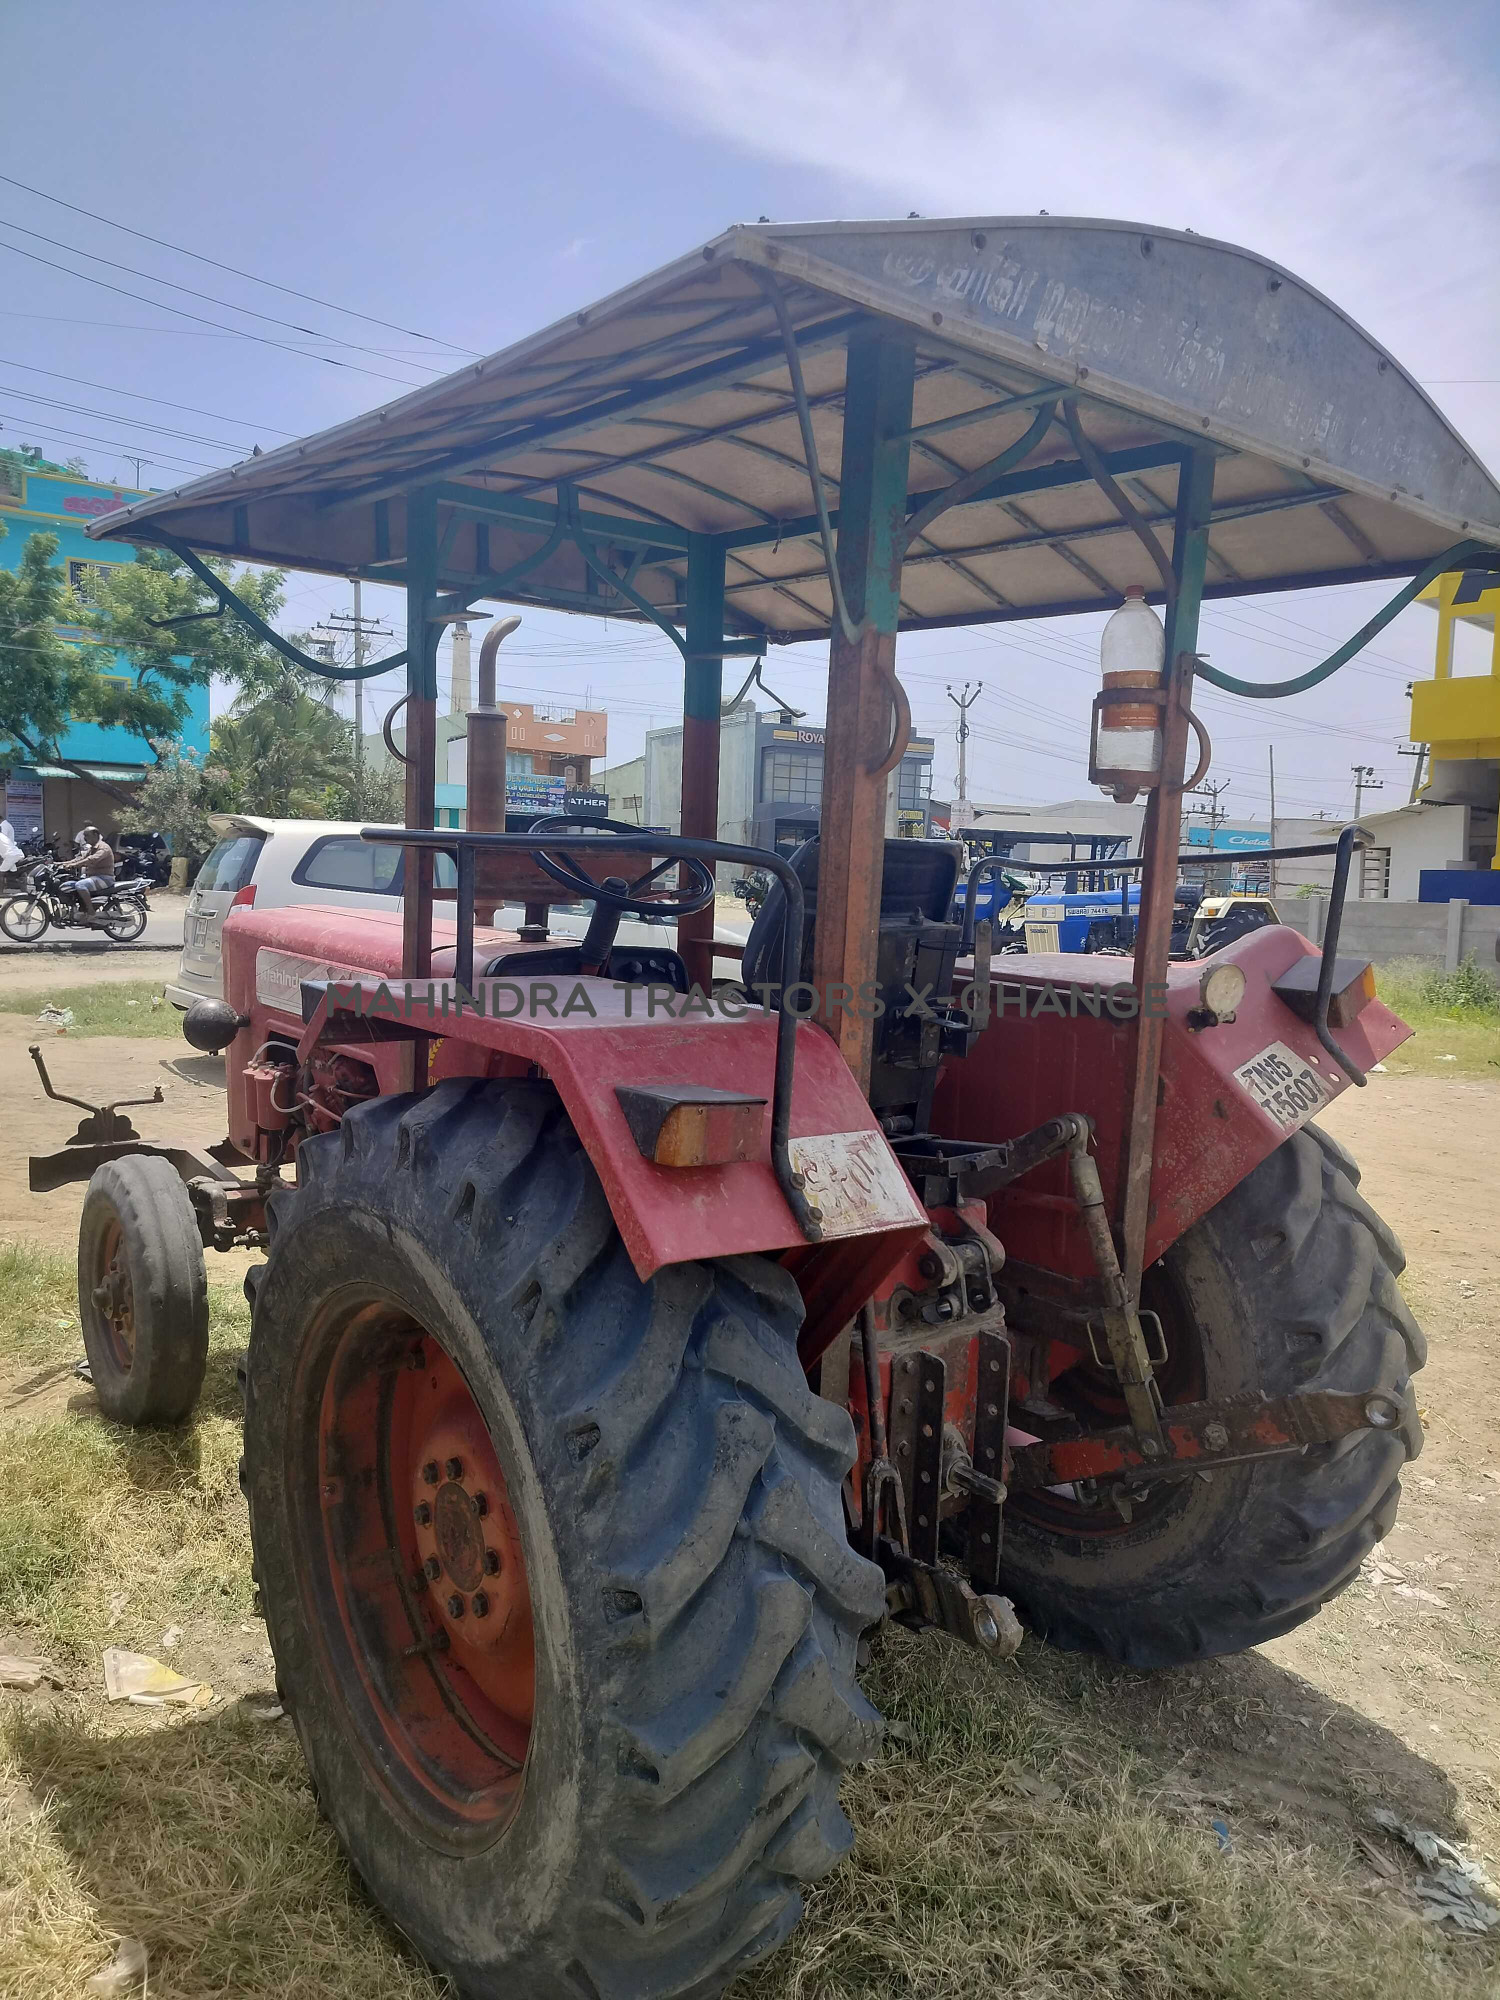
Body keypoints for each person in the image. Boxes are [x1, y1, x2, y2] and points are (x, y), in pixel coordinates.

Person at [56, 824, 116, 915]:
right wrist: (60, 864)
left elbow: (91, 859)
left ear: (95, 835)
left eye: (87, 835)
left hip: (105, 878)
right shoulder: (92, 848)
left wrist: (74, 865)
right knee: (66, 885)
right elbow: (80, 858)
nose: (84, 838)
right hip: (93, 877)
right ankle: (76, 911)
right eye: (84, 836)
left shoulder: (103, 848)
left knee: (80, 885)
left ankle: (90, 910)